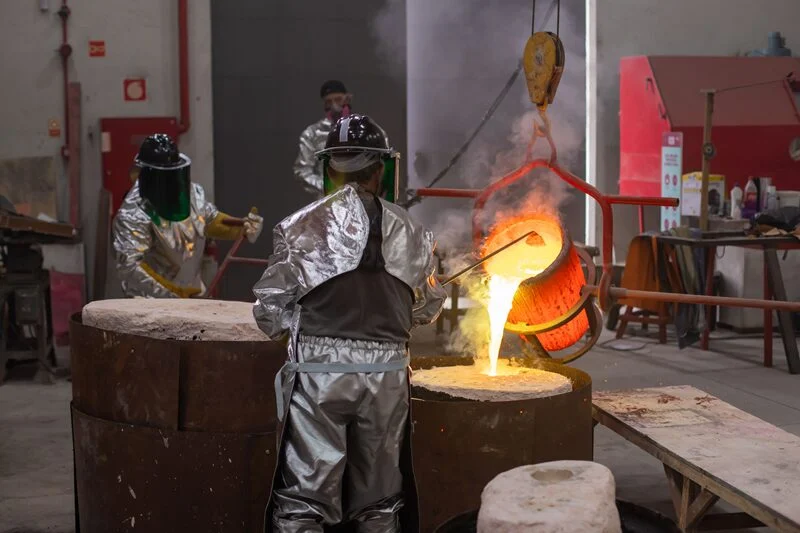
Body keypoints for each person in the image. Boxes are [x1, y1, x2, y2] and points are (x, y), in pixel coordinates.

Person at [253, 114, 446, 532]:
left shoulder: (302, 224)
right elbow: (427, 310)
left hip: (320, 375)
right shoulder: (415, 231)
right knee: (379, 502)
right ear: (381, 169)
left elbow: (268, 314)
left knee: (305, 501)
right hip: (389, 378)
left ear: (330, 168)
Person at [113, 133, 263, 298]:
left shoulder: (187, 192)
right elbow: (130, 265)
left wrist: (242, 227)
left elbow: (208, 219)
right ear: (148, 175)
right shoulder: (133, 213)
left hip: (193, 296)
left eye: (172, 175)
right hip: (151, 303)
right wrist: (173, 293)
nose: (169, 182)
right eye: (164, 176)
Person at [293, 80, 353, 198]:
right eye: (328, 101)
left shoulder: (364, 130)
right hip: (327, 204)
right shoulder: (312, 134)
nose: (334, 105)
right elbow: (302, 171)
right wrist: (326, 186)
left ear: (347, 99)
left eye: (338, 99)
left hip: (360, 202)